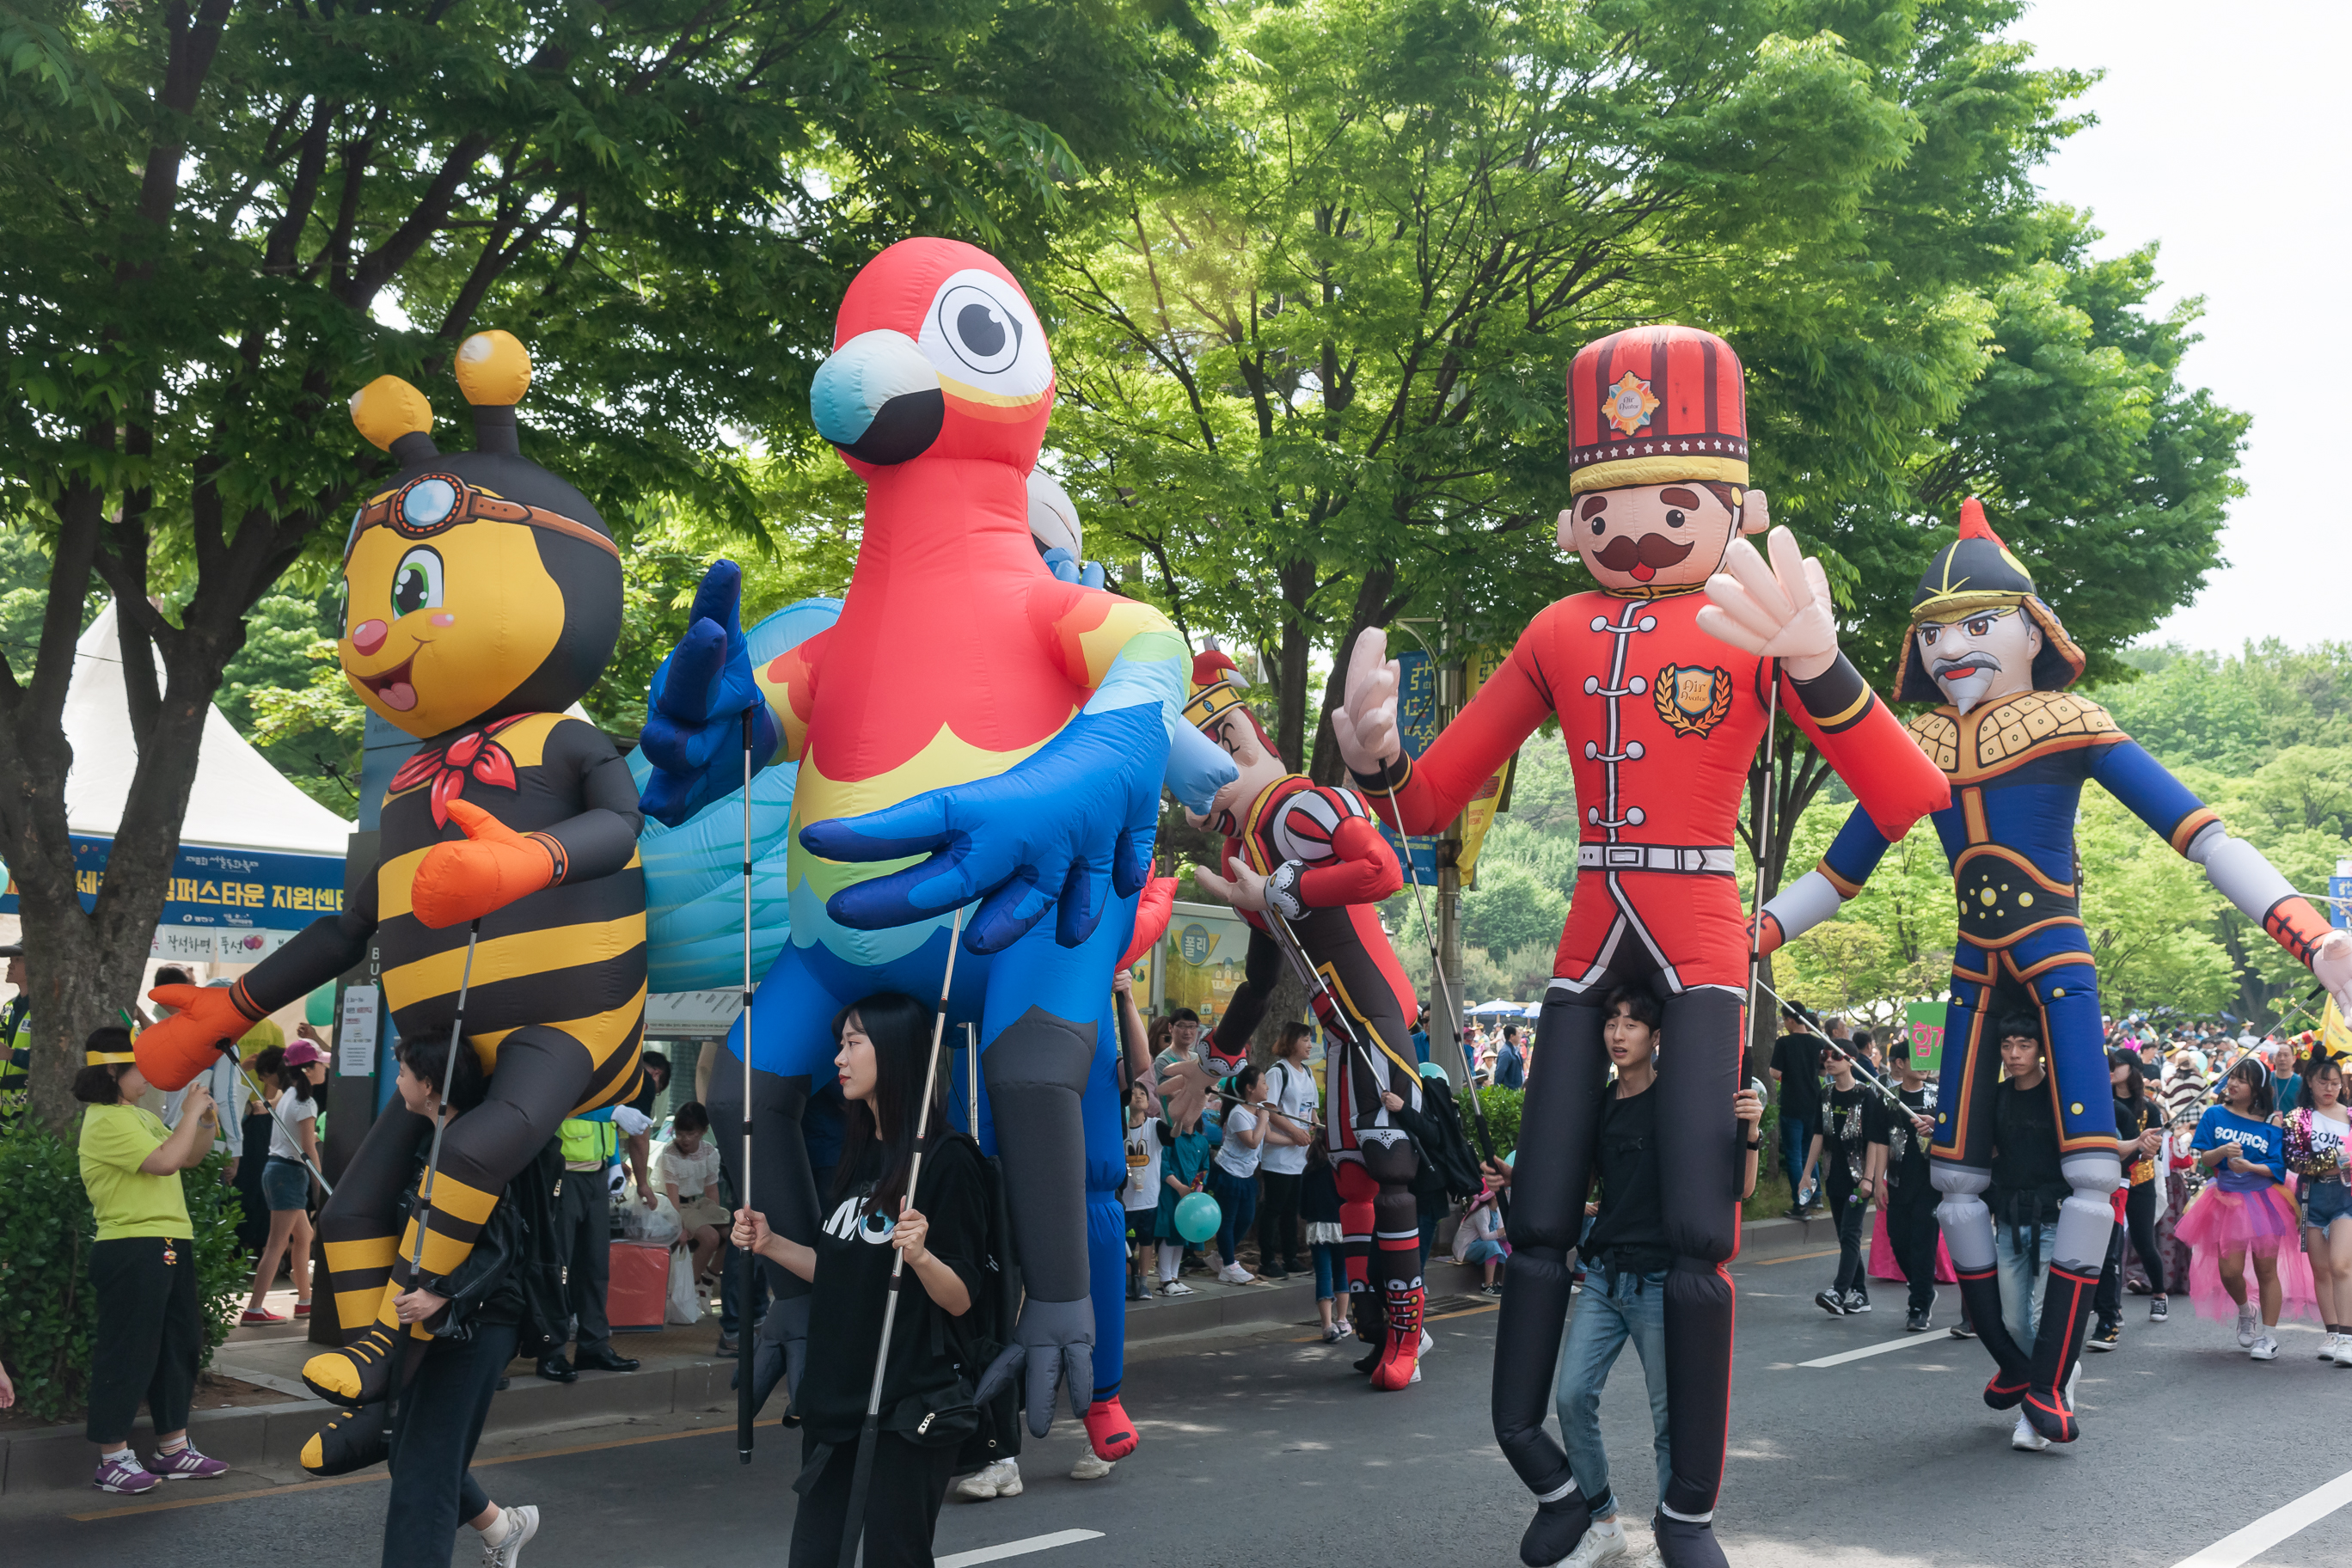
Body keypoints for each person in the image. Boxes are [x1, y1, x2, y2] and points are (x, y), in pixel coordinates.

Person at [730, 994, 986, 1568]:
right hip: (835, 1401)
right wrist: (771, 1244)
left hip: (905, 1405)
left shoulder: (946, 1159)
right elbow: (842, 1269)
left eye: (853, 1043)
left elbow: (963, 1296)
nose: (839, 1058)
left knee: (894, 1558)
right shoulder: (856, 1154)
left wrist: (921, 1256)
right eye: (839, 1043)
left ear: (893, 1052)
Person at [1522, 989, 1764, 1568]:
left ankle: (1669, 1536)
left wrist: (1751, 1131)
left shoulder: (1681, 1103)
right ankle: (1603, 1522)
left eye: (1633, 1024)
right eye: (1612, 1021)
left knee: (1668, 1422)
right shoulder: (1601, 1105)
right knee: (1573, 1397)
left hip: (1659, 1281)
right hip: (1604, 1277)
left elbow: (1743, 1189)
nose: (1619, 1032)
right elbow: (1583, 1190)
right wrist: (1519, 1180)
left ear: (1657, 1038)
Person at [377, 1028, 546, 1568]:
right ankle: (503, 1527)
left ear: (428, 1085)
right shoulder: (438, 1139)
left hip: (478, 1323)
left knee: (423, 1475)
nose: (397, 1079)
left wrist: (443, 1297)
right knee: (410, 1454)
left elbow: (502, 1247)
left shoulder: (474, 1144)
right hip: (446, 1321)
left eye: (403, 1071)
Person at [73, 1027, 230, 1492]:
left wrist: (202, 1121)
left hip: (168, 1237)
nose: (147, 1076)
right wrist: (186, 1114)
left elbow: (187, 1157)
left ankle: (173, 1449)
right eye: (139, 1067)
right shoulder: (105, 1120)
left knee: (178, 1343)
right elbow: (164, 1161)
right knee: (129, 1348)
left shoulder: (135, 1115)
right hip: (131, 1244)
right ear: (112, 1071)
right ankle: (111, 1457)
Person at [2176, 1057, 2312, 1362]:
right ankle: (2245, 1310)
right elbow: (2206, 1160)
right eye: (2232, 1077)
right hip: (2224, 1199)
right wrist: (2222, 1152)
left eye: (2242, 1079)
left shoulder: (2271, 1126)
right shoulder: (2213, 1115)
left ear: (2257, 1087)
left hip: (2265, 1200)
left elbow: (2278, 1167)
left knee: (2267, 1270)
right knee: (2230, 1271)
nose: (2233, 1083)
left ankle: (2269, 1336)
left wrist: (2251, 1165)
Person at [1982, 1017, 2072, 1452]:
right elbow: (1976, 1146)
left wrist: (2136, 1145)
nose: (2014, 1054)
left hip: (2055, 1218)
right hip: (2009, 1218)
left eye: (2023, 1044)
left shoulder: (2061, 1096)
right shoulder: (1997, 1097)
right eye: (2007, 1045)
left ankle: (2035, 1412)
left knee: (2036, 1317)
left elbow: (2100, 1146)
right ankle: (2062, 1373)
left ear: (2040, 1048)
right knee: (2013, 1320)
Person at [542, 1106, 640, 1383]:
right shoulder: (565, 1064)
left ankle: (593, 1346)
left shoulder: (605, 1072)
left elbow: (606, 1126)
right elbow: (564, 1104)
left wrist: (614, 1163)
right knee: (558, 1266)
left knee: (595, 1267)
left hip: (596, 1176)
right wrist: (613, 1112)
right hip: (563, 1174)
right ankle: (552, 1350)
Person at [239, 1037, 327, 1325]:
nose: (324, 1068)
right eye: (320, 1063)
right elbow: (308, 1148)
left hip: (280, 1172)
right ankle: (254, 1309)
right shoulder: (305, 1101)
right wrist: (320, 1183)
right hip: (288, 1174)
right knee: (277, 1244)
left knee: (304, 1237)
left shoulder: (290, 1096)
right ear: (308, 1070)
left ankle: (304, 1301)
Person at [1798, 1034, 1884, 1315]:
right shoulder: (1825, 1094)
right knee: (1845, 1237)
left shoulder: (1865, 1094)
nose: (1829, 1061)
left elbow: (1873, 1140)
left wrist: (1869, 1178)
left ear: (1851, 1060)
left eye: (1835, 1056)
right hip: (1834, 1176)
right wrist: (1806, 1173)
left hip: (1859, 1180)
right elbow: (1818, 1135)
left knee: (1850, 1232)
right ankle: (1861, 1295)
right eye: (1826, 1056)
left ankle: (1839, 1291)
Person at [2089, 1050, 2169, 1349]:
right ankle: (2111, 1308)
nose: (2110, 1070)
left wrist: (2146, 1147)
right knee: (2108, 1247)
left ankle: (2159, 1293)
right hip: (2108, 1180)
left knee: (2142, 1240)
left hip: (2140, 1180)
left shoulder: (2148, 1107)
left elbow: (2155, 1148)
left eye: (2117, 1065)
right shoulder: (2100, 1103)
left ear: (2133, 1070)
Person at [2283, 1051, 2352, 1365]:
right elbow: (2296, 1160)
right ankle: (2333, 1333)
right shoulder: (2298, 1118)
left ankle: (2349, 1337)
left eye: (2336, 1083)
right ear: (2309, 1082)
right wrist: (2334, 1159)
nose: (2330, 1088)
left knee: (2341, 1265)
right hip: (2311, 1197)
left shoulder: (2350, 1115)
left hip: (2346, 1197)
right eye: (2323, 1081)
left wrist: (2330, 1163)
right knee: (2321, 1270)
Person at [1873, 1040, 1942, 1331]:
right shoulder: (1887, 1099)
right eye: (1918, 1058)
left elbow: (1956, 1133)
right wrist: (1878, 1179)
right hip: (1899, 1181)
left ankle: (1918, 1307)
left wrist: (1937, 1128)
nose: (1925, 1065)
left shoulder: (1940, 1096)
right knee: (1898, 1239)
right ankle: (1923, 1289)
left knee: (1923, 1244)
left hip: (1932, 1183)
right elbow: (1879, 1141)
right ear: (1899, 1063)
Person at [1255, 1020, 1319, 1281]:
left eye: (1309, 1039)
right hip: (1279, 1155)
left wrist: (1313, 1126)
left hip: (1300, 1155)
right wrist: (1293, 1131)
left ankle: (1290, 1257)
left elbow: (1311, 1107)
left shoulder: (1309, 1072)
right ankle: (1267, 1260)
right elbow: (1270, 1110)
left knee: (1292, 1209)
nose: (1309, 1045)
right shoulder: (1278, 1071)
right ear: (1291, 1041)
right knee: (1274, 1208)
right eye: (1304, 1039)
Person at [657, 1101, 730, 1295]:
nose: (684, 1139)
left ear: (704, 1131)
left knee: (731, 1233)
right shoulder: (671, 1154)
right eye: (680, 1134)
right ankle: (692, 1286)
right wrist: (678, 1226)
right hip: (679, 1206)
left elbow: (712, 1189)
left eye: (691, 1134)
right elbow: (672, 1195)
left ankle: (710, 1276)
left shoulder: (709, 1152)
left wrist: (715, 1215)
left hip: (698, 1204)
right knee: (711, 1238)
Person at [1209, 1064, 1268, 1284]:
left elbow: (1266, 1137)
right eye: (1263, 1083)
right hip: (1229, 1172)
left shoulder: (1258, 1110)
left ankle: (1222, 1256)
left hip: (1246, 1174)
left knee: (1246, 1219)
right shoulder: (1238, 1114)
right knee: (1229, 1219)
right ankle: (1229, 1266)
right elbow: (1253, 1142)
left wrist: (1298, 1140)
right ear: (1250, 1088)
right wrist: (1263, 1119)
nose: (1267, 1087)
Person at [1153, 1103, 1215, 1296]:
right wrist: (1179, 1187)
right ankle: (1164, 1280)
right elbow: (1163, 1166)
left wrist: (1198, 1188)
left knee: (1182, 1234)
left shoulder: (1202, 1142)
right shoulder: (1171, 1138)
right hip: (1170, 1194)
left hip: (1190, 1197)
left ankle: (1174, 1277)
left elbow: (1204, 1168)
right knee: (1169, 1234)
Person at [1769, 1007, 1824, 1216]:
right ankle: (1816, 1196)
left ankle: (1801, 1204)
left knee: (1794, 1155)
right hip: (1814, 1102)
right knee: (1809, 1152)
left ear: (1791, 1020)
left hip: (1792, 1103)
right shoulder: (1818, 1042)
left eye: (1784, 1020)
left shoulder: (1784, 1042)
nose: (1784, 1024)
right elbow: (1823, 1071)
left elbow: (1775, 1072)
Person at [1121, 1077, 1165, 1302]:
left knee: (1147, 1242)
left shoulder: (1154, 1126)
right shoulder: (1118, 1128)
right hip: (1125, 1201)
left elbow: (1172, 1136)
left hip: (1148, 1200)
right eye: (1133, 1093)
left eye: (1143, 1094)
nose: (1138, 1096)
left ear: (1149, 1103)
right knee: (1126, 1244)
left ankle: (1144, 1283)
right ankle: (1128, 1284)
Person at [1455, 1179, 1509, 1293]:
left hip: (1482, 1244)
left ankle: (1504, 1283)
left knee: (1507, 1244)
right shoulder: (1482, 1211)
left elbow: (1500, 1233)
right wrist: (1502, 1231)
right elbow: (1486, 1236)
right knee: (1492, 1245)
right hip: (1467, 1248)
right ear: (1495, 1196)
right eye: (1504, 1191)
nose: (1507, 1193)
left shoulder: (1496, 1210)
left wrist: (1507, 1234)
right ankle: (1487, 1285)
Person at [1494, 1024, 1528, 1090]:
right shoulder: (1506, 1052)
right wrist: (1496, 1090)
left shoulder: (1515, 1050)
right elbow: (1500, 1072)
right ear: (1512, 1036)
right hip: (1510, 1091)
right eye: (1518, 1033)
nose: (1521, 1036)